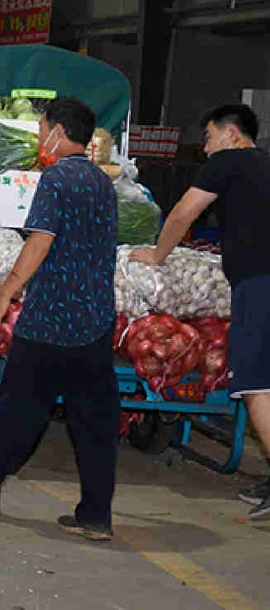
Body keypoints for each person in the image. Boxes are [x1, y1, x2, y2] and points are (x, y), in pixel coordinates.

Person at [0, 97, 120, 542]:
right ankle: (95, 516)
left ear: (59, 132)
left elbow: (40, 242)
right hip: (96, 320)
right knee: (95, 422)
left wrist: (4, 296)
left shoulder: (57, 178)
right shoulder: (102, 182)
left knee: (19, 411)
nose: (42, 138)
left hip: (50, 321)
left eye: (44, 129)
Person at [130, 104, 270, 520]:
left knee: (257, 383)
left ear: (230, 134)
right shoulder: (264, 165)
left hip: (260, 284)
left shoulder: (228, 161)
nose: (206, 148)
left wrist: (157, 255)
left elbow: (183, 213)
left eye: (208, 137)